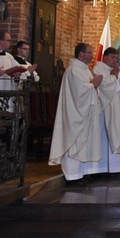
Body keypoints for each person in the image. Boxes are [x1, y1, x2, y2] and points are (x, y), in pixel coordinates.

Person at [48, 43, 107, 185]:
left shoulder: (85, 70)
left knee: (85, 142)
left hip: (86, 112)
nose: (92, 55)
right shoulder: (73, 70)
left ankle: (82, 172)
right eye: (89, 52)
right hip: (75, 114)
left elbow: (90, 89)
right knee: (74, 141)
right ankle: (71, 175)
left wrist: (93, 85)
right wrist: (94, 84)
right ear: (81, 54)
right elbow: (79, 92)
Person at [92, 48, 120, 173]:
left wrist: (116, 76)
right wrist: (114, 76)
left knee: (115, 134)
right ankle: (102, 168)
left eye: (116, 58)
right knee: (104, 137)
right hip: (104, 110)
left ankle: (114, 167)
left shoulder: (114, 70)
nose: (115, 60)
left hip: (116, 109)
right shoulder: (98, 69)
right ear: (105, 57)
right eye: (112, 57)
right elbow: (104, 86)